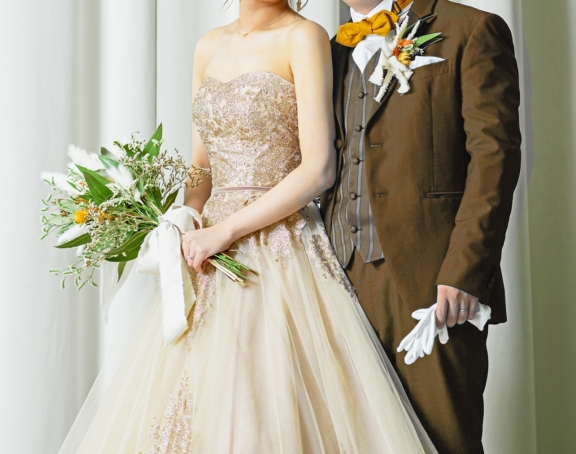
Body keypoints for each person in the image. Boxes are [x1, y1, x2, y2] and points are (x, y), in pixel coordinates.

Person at [58, 0, 439, 452]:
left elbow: (318, 169)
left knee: (266, 404)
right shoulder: (207, 46)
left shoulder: (304, 37)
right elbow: (201, 167)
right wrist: (183, 220)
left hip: (279, 245)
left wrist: (226, 231)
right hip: (207, 251)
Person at [321, 0, 522, 452]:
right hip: (336, 277)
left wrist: (464, 271)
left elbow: (494, 159)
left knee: (442, 438)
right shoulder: (329, 50)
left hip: (433, 280)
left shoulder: (471, 29)